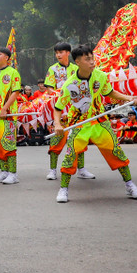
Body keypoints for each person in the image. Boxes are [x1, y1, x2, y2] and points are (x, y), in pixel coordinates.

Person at [53, 45, 137, 203]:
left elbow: (109, 92)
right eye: (87, 59)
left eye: (92, 58)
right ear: (78, 62)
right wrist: (57, 125)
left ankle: (130, 185)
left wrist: (129, 98)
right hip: (79, 123)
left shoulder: (100, 76)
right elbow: (58, 108)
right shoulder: (69, 84)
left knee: (116, 151)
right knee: (70, 155)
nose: (92, 62)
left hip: (99, 121)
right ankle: (63, 189)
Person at [43, 42, 94, 180]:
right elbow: (49, 89)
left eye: (61, 52)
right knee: (56, 140)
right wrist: (61, 94)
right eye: (56, 53)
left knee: (79, 140)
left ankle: (81, 169)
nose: (58, 55)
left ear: (68, 53)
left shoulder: (76, 68)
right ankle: (52, 170)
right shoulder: (52, 69)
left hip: (76, 111)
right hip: (59, 109)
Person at [0, 46, 21, 184]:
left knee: (8, 144)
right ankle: (3, 171)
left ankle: (13, 174)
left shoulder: (13, 72)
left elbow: (15, 92)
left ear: (6, 58)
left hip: (7, 116)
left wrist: (4, 109)